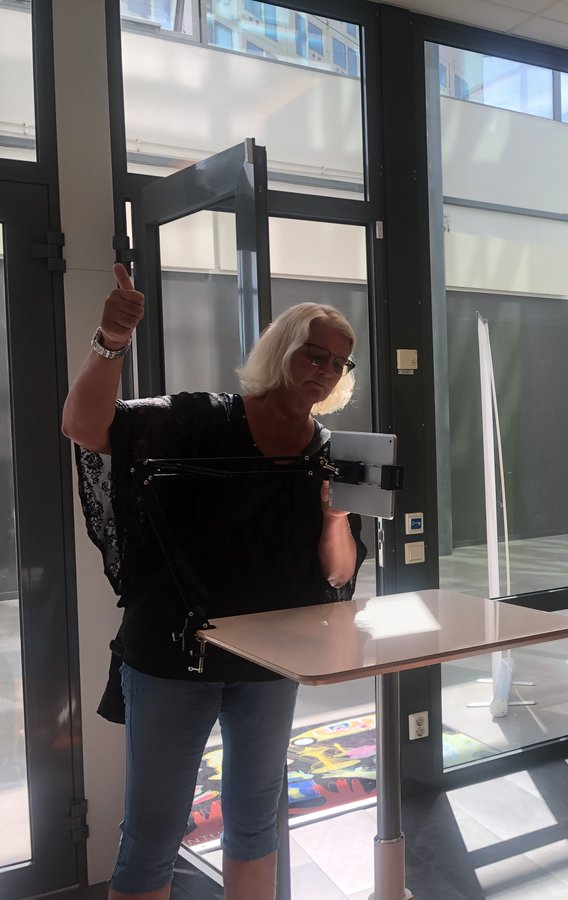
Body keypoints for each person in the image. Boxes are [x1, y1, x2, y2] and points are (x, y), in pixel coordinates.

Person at [62, 264, 368, 900]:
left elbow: (339, 571)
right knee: (152, 835)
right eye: (314, 354)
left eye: (338, 363)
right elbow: (85, 427)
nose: (325, 370)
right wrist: (111, 341)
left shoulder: (329, 452)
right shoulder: (201, 418)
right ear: (283, 350)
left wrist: (336, 515)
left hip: (272, 663)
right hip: (176, 657)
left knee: (256, 826)